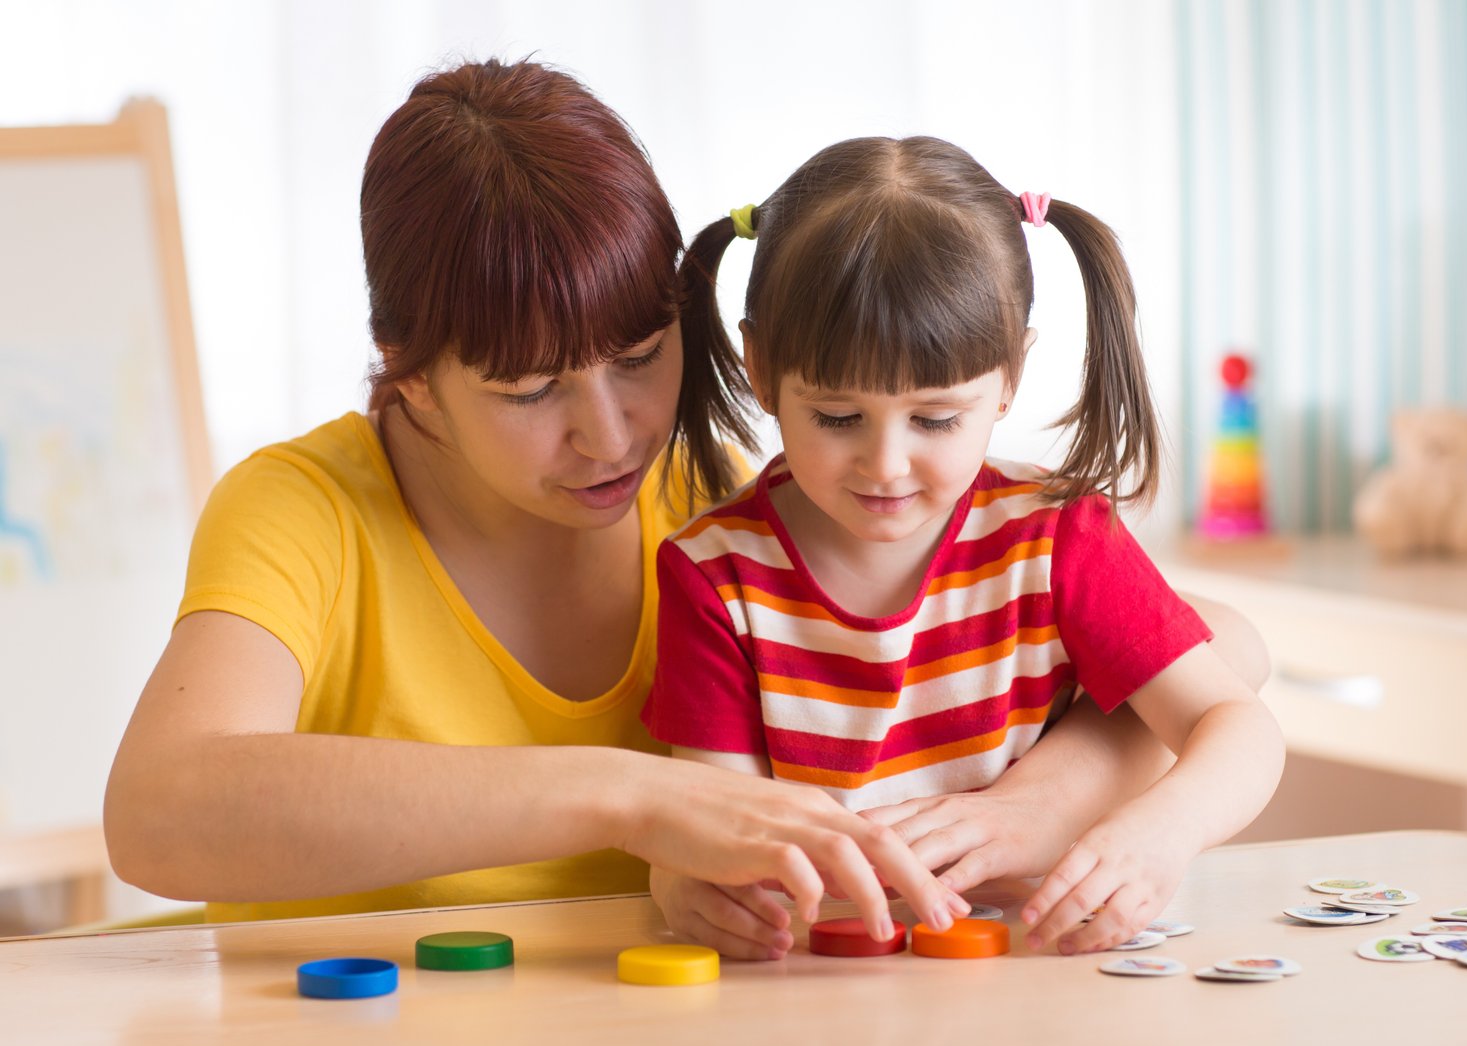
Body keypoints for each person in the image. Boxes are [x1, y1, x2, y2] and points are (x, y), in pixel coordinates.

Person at [101, 60, 967, 938]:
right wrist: (626, 795)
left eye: (639, 357)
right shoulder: (305, 510)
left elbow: (1033, 655)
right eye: (528, 391)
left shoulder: (716, 501)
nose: (611, 434)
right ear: (412, 376)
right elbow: (156, 814)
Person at [644, 136, 1285, 956]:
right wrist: (687, 881)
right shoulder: (715, 578)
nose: (884, 464)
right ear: (761, 367)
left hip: (1034, 970)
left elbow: (1237, 722)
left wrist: (1162, 832)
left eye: (936, 419)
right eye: (837, 417)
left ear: (1012, 373)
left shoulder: (1054, 537)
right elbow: (713, 827)